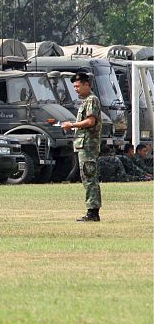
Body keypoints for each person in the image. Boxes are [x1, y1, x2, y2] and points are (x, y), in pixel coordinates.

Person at [61, 72, 102, 222]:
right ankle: (92, 211)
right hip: (84, 146)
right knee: (87, 177)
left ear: (87, 85)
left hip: (88, 146)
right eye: (74, 87)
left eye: (78, 86)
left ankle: (93, 212)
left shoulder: (92, 100)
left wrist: (71, 124)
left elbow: (90, 121)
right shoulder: (86, 101)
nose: (76, 89)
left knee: (89, 177)